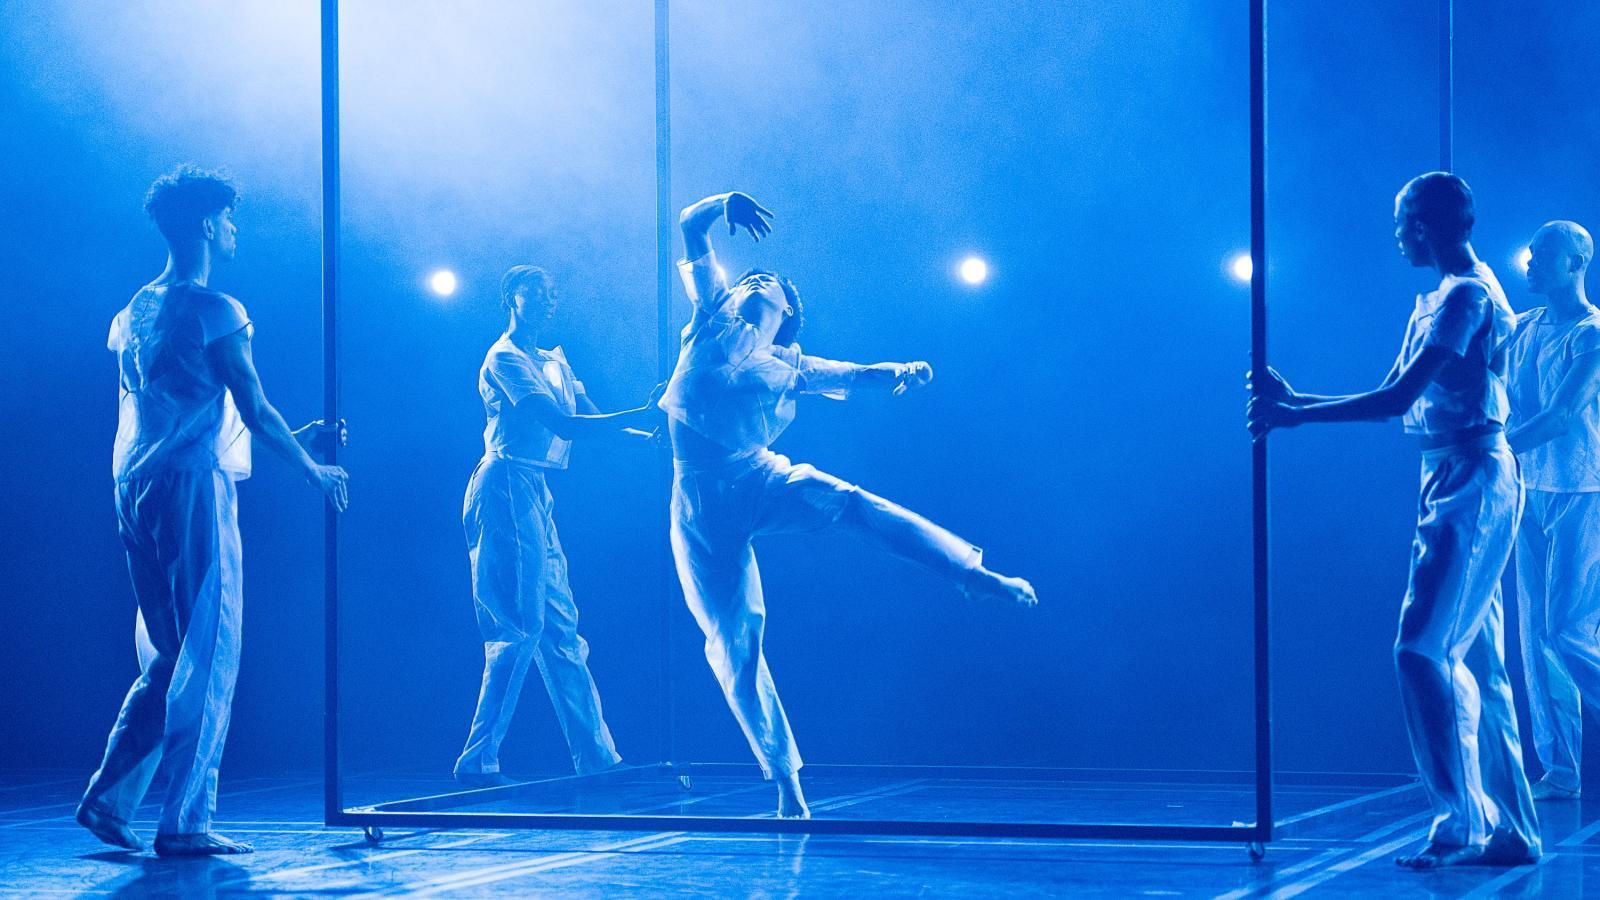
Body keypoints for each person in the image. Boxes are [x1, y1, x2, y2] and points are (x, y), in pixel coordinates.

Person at [662, 191, 1038, 818]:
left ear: (785, 315)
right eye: (751, 276)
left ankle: (969, 573)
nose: (756, 282)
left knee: (850, 501)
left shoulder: (789, 362)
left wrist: (900, 368)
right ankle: (787, 781)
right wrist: (725, 204)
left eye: (770, 287)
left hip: (756, 475)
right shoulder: (709, 317)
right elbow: (688, 224)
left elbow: (855, 373)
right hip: (699, 499)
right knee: (735, 638)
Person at [1248, 172, 1539, 868]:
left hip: (1473, 477)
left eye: (1402, 219)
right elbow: (1396, 396)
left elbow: (1394, 399)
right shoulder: (1443, 297)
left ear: (1426, 225)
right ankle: (1510, 829)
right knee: (1473, 660)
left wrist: (1294, 417)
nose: (1395, 232)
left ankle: (1461, 820)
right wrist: (1301, 399)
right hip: (1450, 473)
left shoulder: (1466, 296)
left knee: (1420, 651)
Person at [78, 165, 349, 856]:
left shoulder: (135, 308)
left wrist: (301, 440)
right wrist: (313, 468)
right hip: (188, 489)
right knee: (210, 646)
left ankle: (110, 800)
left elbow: (180, 407)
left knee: (172, 653)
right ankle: (187, 821)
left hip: (137, 485)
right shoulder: (215, 308)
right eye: (228, 217)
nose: (235, 229)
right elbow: (252, 408)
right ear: (205, 222)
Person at [454, 265, 661, 787]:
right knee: (519, 626)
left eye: (552, 293)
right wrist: (641, 410)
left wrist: (646, 433)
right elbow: (563, 424)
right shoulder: (504, 356)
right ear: (511, 297)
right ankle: (478, 760)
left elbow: (592, 419)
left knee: (561, 629)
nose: (548, 300)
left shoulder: (554, 361)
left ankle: (597, 757)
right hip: (504, 485)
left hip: (535, 492)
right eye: (536, 292)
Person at [1506, 220, 1600, 802]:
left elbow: (1563, 415)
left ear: (1577, 263)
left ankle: (1564, 766)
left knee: (1568, 629)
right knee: (1534, 635)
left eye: (1544, 254)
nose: (1531, 262)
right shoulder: (1521, 328)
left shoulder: (1592, 334)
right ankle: (1561, 769)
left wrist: (1490, 448)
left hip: (1583, 492)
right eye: (1531, 251)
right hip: (1528, 492)